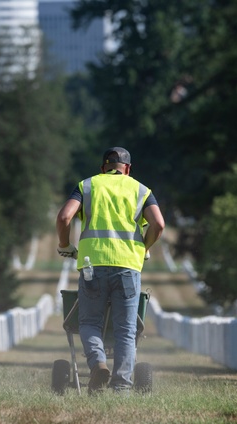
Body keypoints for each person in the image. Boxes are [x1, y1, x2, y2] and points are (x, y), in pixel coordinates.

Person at [56, 146, 166, 393]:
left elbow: (64, 217)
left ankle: (97, 365)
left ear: (102, 168)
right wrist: (144, 247)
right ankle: (122, 388)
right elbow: (158, 223)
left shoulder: (87, 186)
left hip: (91, 267)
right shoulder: (140, 190)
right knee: (126, 330)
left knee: (89, 322)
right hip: (127, 267)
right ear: (127, 169)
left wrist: (64, 245)